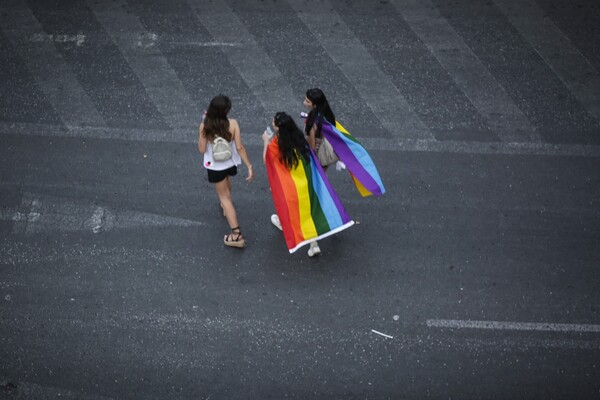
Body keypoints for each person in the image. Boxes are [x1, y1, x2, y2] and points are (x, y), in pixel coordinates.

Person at [262, 112, 354, 257]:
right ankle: (313, 244)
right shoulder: (299, 138)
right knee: (309, 210)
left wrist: (266, 142)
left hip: (290, 185)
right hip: (307, 181)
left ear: (279, 128)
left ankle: (284, 223)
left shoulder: (276, 144)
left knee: (289, 206)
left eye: (274, 122)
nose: (272, 123)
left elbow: (267, 161)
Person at [198, 95, 253, 248]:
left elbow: (202, 149)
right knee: (227, 182)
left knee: (224, 198)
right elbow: (239, 147)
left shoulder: (205, 126)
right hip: (230, 163)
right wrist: (249, 165)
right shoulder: (233, 123)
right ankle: (226, 208)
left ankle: (236, 235)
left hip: (216, 166)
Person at [303, 88, 339, 170]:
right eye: (305, 99)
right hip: (326, 152)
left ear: (315, 105)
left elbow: (312, 146)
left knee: (316, 177)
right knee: (323, 175)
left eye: (307, 101)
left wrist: (309, 157)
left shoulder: (313, 122)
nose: (304, 102)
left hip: (318, 152)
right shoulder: (327, 116)